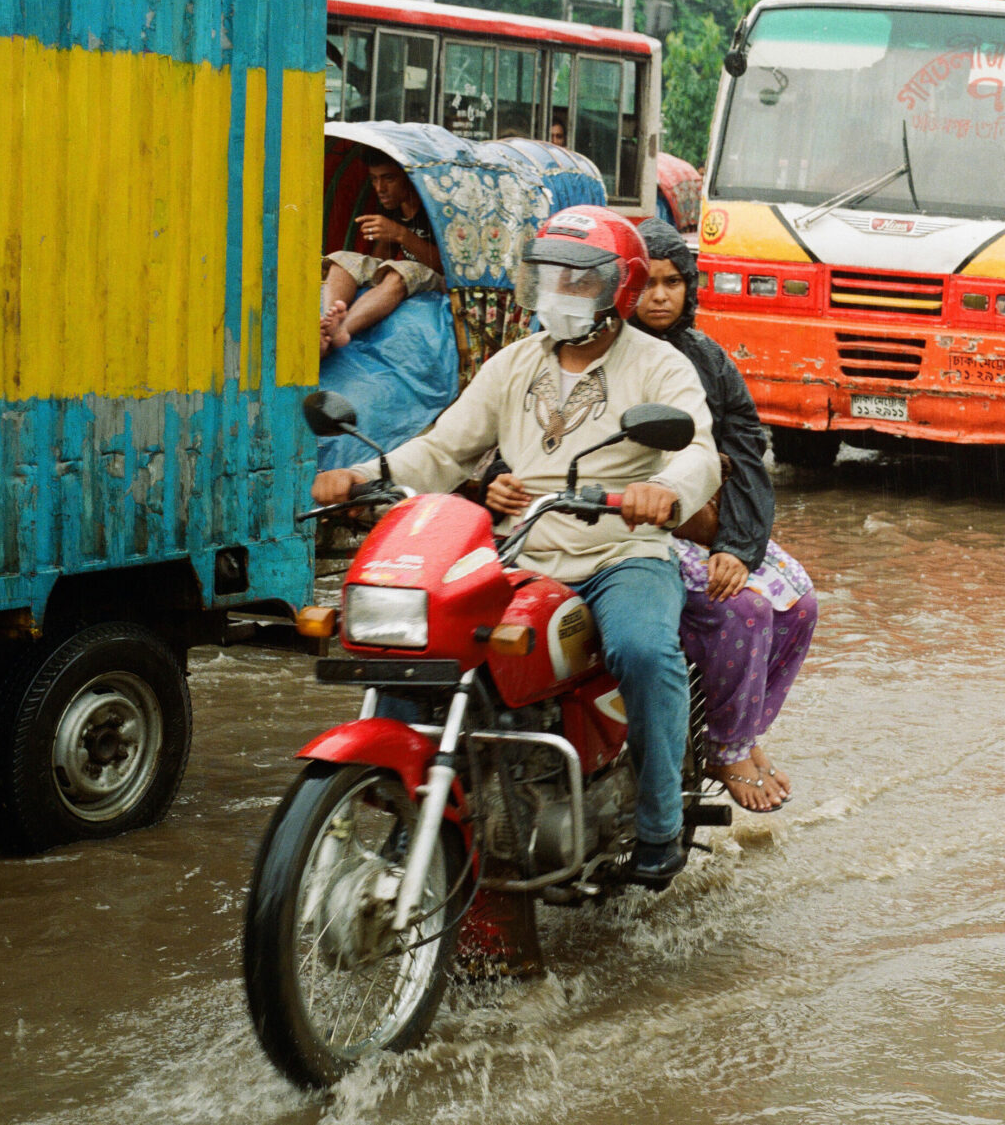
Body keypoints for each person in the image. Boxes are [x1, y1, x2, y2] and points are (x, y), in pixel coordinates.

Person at [311, 206, 722, 886]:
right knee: (424, 642)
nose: (558, 291)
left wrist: (666, 493)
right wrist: (365, 473)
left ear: (615, 288)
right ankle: (404, 799)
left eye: (577, 279)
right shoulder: (514, 363)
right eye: (549, 276)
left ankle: (658, 823)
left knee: (644, 650)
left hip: (620, 553)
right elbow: (446, 448)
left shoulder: (659, 365)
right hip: (522, 552)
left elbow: (700, 454)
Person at [631, 220, 816, 812]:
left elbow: (746, 452)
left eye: (672, 282)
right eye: (646, 283)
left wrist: (737, 547)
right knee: (744, 611)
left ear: (690, 287)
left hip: (705, 521)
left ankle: (737, 734)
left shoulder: (707, 357)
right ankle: (728, 746)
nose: (659, 296)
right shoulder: (606, 350)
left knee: (800, 602)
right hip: (636, 521)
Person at [322, 156, 443, 354]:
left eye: (389, 179)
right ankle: (328, 323)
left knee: (400, 271)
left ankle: (343, 330)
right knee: (342, 259)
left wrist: (400, 234)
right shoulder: (393, 210)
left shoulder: (434, 209)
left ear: (410, 178)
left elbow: (443, 266)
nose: (380, 188)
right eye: (374, 179)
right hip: (405, 274)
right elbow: (379, 265)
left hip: (435, 278)